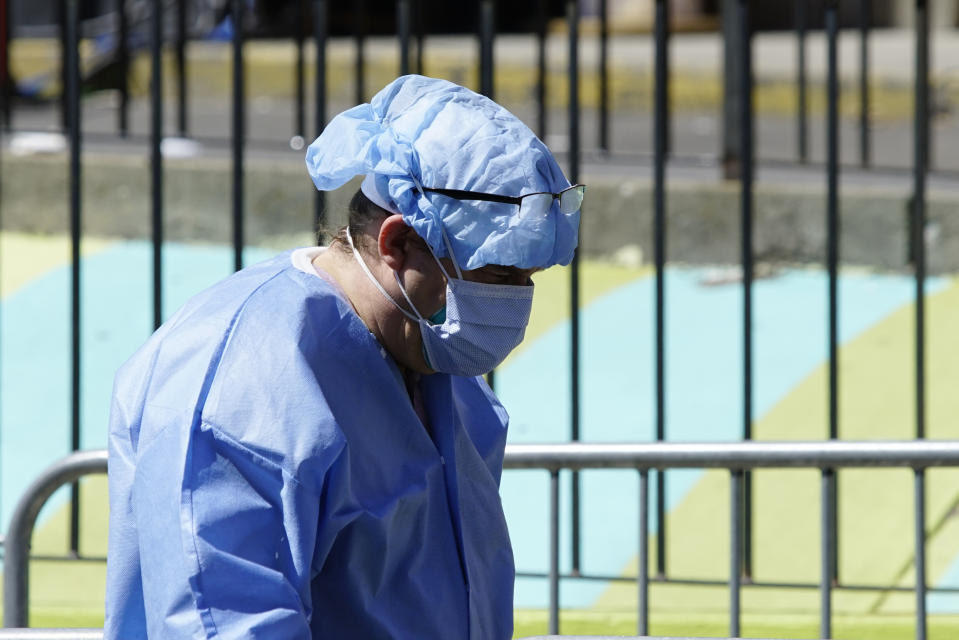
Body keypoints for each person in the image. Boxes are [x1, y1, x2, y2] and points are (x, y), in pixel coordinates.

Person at [104, 74, 583, 639]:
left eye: (527, 278)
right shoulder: (243, 380)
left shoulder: (433, 360)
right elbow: (223, 621)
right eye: (498, 274)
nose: (515, 301)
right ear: (398, 243)